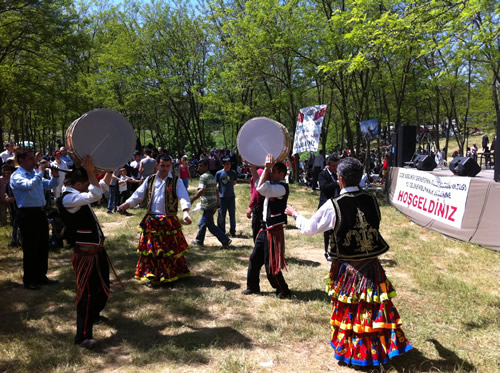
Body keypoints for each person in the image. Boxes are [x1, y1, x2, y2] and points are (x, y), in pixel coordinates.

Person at [285, 157, 412, 367]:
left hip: (349, 268)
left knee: (352, 310)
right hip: (371, 264)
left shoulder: (333, 205)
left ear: (340, 179)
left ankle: (357, 352)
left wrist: (295, 214)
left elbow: (309, 229)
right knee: (373, 308)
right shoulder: (371, 199)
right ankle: (378, 349)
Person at [57, 156, 121, 347]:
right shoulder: (68, 199)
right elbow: (96, 194)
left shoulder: (77, 193)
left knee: (103, 289)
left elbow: (98, 188)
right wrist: (92, 172)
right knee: (87, 294)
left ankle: (93, 315)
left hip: (96, 252)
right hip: (85, 254)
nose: (88, 186)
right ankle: (82, 336)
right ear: (78, 184)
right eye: (86, 184)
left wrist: (110, 171)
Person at [118, 154, 193, 287]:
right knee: (153, 252)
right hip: (152, 221)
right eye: (162, 165)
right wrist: (125, 205)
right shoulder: (150, 179)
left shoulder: (176, 181)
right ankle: (154, 276)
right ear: (157, 165)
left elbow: (183, 196)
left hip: (168, 221)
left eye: (168, 166)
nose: (165, 169)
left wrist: (185, 212)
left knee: (169, 250)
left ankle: (172, 274)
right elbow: (138, 195)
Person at [242, 154, 291, 299]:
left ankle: (283, 290)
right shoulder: (274, 186)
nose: (271, 173)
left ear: (281, 174)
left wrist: (266, 167)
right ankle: (252, 287)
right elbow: (259, 185)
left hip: (273, 231)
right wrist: (253, 168)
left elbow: (261, 188)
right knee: (254, 259)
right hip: (264, 229)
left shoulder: (281, 188)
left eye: (274, 171)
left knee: (271, 265)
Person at [10, 148, 60, 290]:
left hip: (40, 213)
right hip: (27, 214)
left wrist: (55, 176)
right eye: (31, 158)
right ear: (21, 160)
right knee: (30, 247)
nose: (35, 161)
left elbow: (49, 185)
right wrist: (40, 172)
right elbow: (29, 186)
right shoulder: (17, 176)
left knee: (43, 245)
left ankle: (41, 276)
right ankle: (30, 279)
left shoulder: (34, 174)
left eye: (34, 158)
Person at [190, 159, 232, 248]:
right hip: (212, 204)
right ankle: (199, 240)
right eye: (198, 166)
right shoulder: (211, 176)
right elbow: (216, 191)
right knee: (203, 223)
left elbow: (201, 190)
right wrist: (218, 202)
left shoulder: (203, 177)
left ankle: (225, 240)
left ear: (206, 167)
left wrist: (193, 199)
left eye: (201, 166)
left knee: (211, 226)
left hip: (208, 205)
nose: (199, 167)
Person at [318, 155, 340, 261]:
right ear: (328, 165)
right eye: (333, 165)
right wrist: (336, 183)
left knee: (336, 229)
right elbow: (324, 188)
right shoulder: (323, 175)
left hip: (337, 204)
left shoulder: (338, 174)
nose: (335, 168)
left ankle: (336, 250)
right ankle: (327, 251)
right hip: (326, 204)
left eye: (336, 165)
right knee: (327, 230)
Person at [216, 158, 237, 237]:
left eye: (229, 164)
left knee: (232, 215)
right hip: (222, 198)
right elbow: (217, 184)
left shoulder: (233, 173)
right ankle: (222, 231)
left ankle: (233, 231)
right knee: (221, 215)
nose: (228, 166)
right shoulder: (219, 173)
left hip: (231, 197)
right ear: (223, 164)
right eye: (227, 164)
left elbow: (234, 182)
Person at [246, 166, 264, 243]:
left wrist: (251, 206)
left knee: (257, 228)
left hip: (259, 204)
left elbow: (257, 192)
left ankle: (258, 248)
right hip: (264, 204)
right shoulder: (265, 171)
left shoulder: (259, 172)